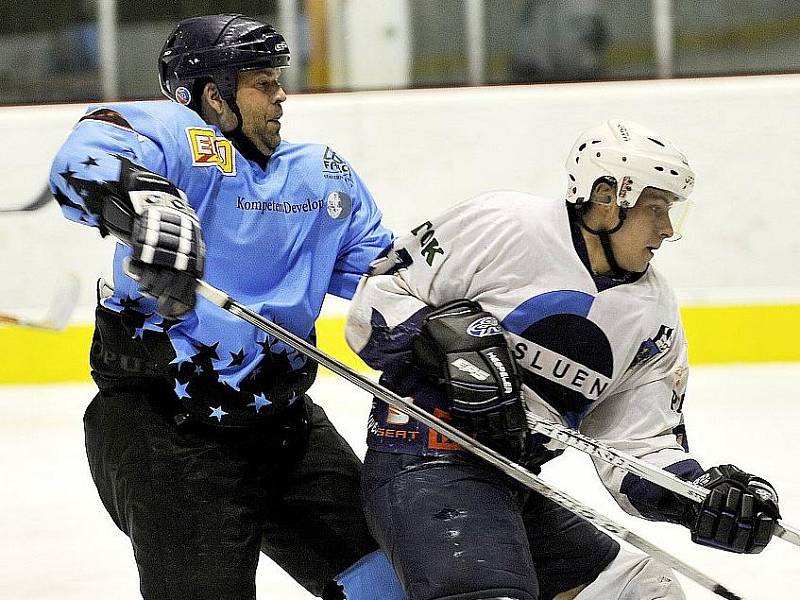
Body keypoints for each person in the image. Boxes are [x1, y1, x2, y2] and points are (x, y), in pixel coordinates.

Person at [345, 119, 781, 600]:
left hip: (515, 484)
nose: (667, 229)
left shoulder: (653, 316)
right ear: (606, 197)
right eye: (656, 209)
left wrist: (702, 498)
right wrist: (442, 339)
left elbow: (638, 448)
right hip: (422, 463)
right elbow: (376, 304)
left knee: (641, 589)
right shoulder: (502, 224)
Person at [48, 13, 405, 600]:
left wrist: (446, 318)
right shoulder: (176, 138)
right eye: (262, 83)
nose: (281, 96)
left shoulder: (320, 173)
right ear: (214, 95)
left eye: (277, 81)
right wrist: (143, 206)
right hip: (167, 434)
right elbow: (85, 155)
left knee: (390, 585)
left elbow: (388, 279)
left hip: (284, 424)